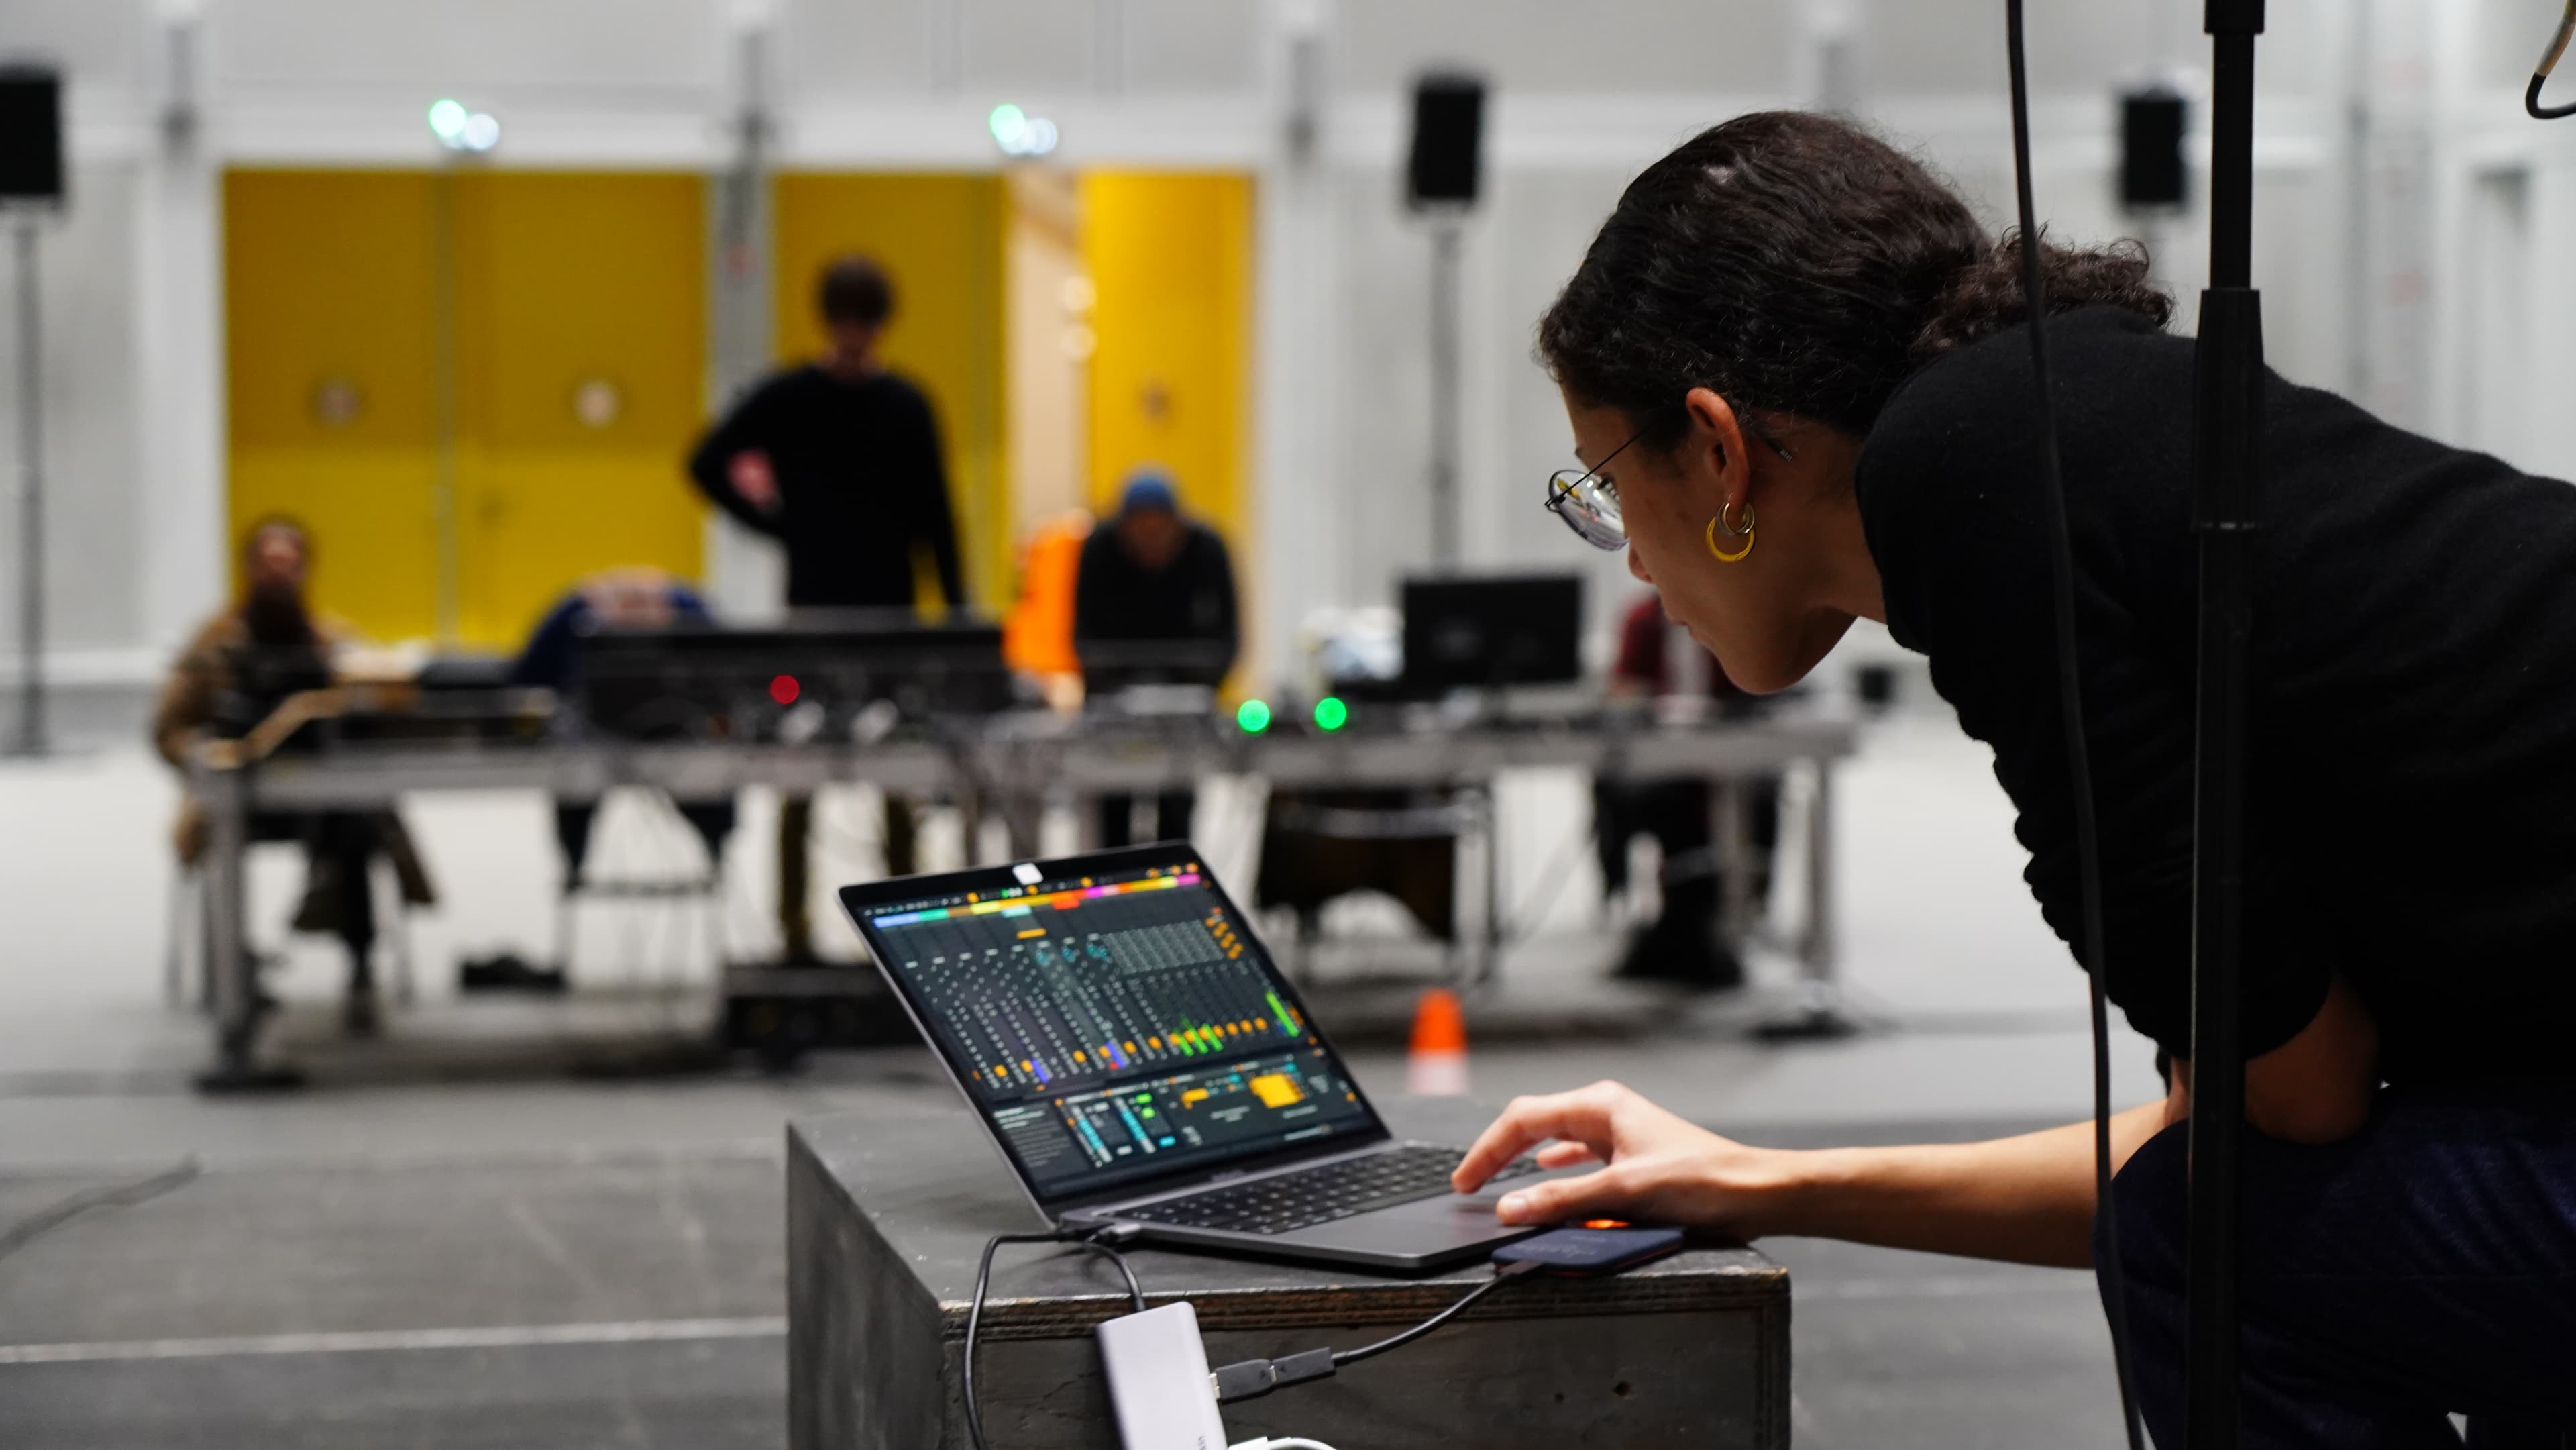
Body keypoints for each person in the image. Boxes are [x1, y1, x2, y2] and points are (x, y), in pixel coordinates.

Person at [1450, 111, 2576, 1443]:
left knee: (2211, 1250)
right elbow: (2246, 1124)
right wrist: (1755, 1178)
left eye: (1603, 483)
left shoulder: (1970, 480)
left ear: (1715, 447)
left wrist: (1771, 1181)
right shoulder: (2066, 425)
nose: (1631, 559)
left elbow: (2284, 1119)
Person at [687, 255, 962, 957]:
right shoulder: (788, 396)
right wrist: (776, 525)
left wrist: (955, 616)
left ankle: (907, 929)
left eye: (864, 325)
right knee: (797, 769)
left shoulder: (907, 403)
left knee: (898, 769)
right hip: (811, 612)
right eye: (846, 323)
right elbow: (706, 461)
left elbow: (938, 515)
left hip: (892, 617)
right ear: (827, 321)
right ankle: (793, 929)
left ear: (880, 326)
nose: (855, 337)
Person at [152, 517, 433, 1037]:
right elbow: (168, 728)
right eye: (269, 563)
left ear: (305, 569)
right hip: (238, 792)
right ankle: (234, 971)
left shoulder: (334, 639)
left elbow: (385, 696)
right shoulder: (213, 643)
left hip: (322, 795)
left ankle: (361, 969)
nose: (279, 574)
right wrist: (203, 752)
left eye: (290, 563)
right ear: (250, 567)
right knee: (223, 834)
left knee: (360, 825)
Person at [1592, 590, 1779, 989]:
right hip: (1662, 756)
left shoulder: (1738, 611)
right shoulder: (1642, 619)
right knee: (1655, 793)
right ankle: (1673, 912)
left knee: (1757, 785)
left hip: (1732, 745)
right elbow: (1624, 688)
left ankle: (1739, 904)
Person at [508, 568, 737, 890]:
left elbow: (727, 682)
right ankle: (574, 860)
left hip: (675, 734)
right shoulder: (570, 616)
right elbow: (528, 681)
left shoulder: (689, 612)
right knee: (574, 779)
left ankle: (717, 847)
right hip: (594, 735)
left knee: (709, 773)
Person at [1073, 470, 1239, 846]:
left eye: (1159, 530)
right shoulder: (1099, 549)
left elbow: (1229, 637)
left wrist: (1200, 689)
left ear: (1177, 526)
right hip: (1112, 715)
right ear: (1124, 528)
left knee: (1176, 819)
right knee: (1113, 820)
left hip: (1184, 715)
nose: (1151, 542)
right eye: (1141, 531)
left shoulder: (1208, 548)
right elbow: (1083, 638)